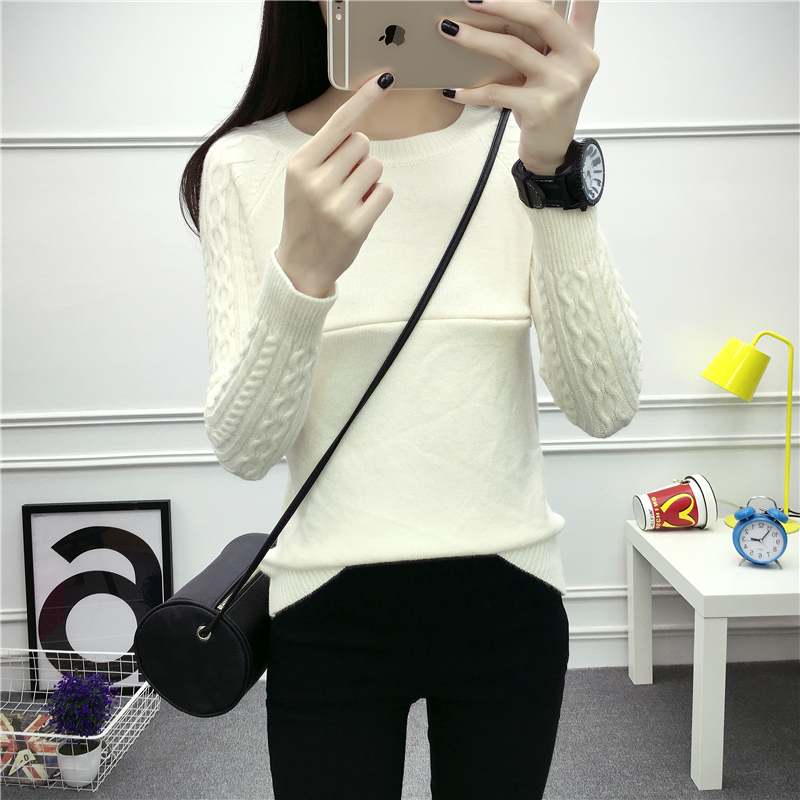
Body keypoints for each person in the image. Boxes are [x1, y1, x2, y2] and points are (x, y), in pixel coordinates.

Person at [181, 2, 642, 798]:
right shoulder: (248, 163)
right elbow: (246, 450)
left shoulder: (520, 142)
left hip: (510, 597)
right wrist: (304, 278)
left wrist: (552, 173)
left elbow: (605, 404)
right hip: (328, 607)